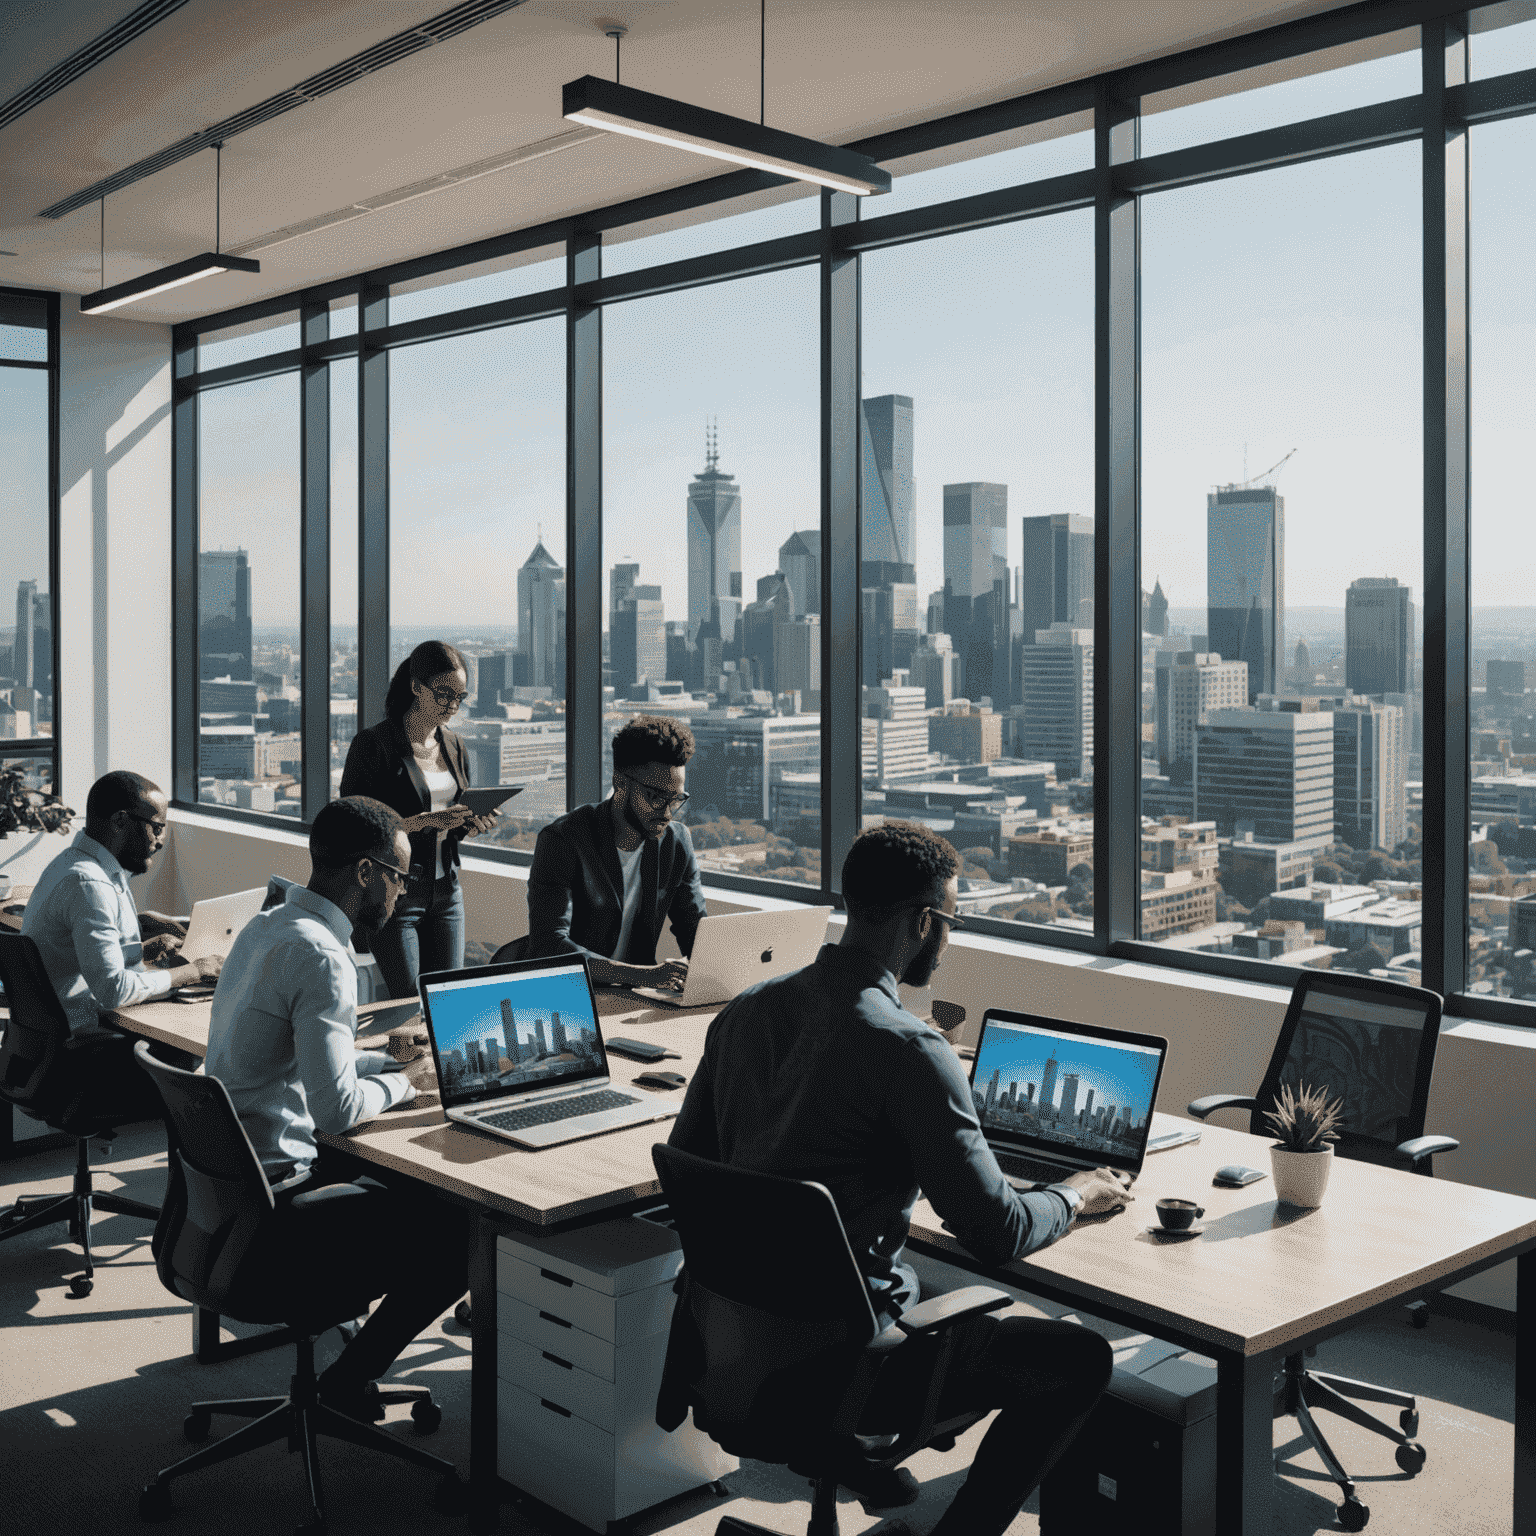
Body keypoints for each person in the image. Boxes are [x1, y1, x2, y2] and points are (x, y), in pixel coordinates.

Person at [668, 821, 1130, 1536]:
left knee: (922, 1281)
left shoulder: (745, 1011)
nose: (947, 941)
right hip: (845, 1362)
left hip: (729, 1342)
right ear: (923, 922)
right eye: (950, 923)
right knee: (1079, 1354)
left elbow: (691, 1170)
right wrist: (1075, 1193)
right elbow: (996, 1233)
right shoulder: (910, 1049)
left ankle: (844, 1453)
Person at [203, 796, 467, 1413]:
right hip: (278, 1205)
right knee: (459, 1227)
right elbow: (338, 1113)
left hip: (228, 1193)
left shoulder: (269, 925)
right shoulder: (324, 955)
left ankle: (349, 1364)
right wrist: (411, 1085)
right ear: (367, 871)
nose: (403, 894)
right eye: (401, 877)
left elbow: (294, 1060)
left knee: (398, 1180)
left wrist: (385, 1062)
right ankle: (348, 1382)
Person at [21, 770, 217, 1119]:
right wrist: (190, 972)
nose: (160, 840)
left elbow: (78, 960)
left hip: (48, 1047)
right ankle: (202, 1168)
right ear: (120, 821)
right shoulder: (89, 883)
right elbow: (113, 989)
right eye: (157, 827)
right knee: (204, 1064)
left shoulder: (77, 866)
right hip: (83, 1054)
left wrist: (142, 950)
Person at [339, 640, 494, 999]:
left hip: (447, 891)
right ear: (416, 687)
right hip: (396, 894)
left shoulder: (455, 745)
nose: (452, 706)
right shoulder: (374, 745)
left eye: (460, 697)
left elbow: (449, 826)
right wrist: (418, 823)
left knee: (449, 1001)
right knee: (410, 1005)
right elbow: (350, 827)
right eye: (443, 695)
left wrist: (469, 823)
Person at [524, 715, 707, 990]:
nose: (667, 813)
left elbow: (696, 933)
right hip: (568, 994)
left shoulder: (677, 842)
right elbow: (548, 944)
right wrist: (643, 976)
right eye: (656, 798)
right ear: (620, 783)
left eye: (676, 799)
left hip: (634, 998)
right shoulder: (563, 840)